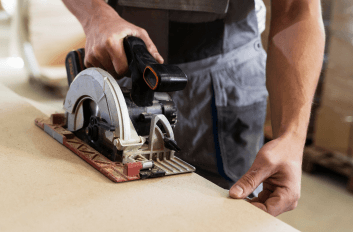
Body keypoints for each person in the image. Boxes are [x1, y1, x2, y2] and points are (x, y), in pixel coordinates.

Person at [62, 0, 325, 216]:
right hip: (125, 68)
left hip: (223, 83)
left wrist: (292, 136)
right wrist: (95, 13)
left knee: (225, 214)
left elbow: (296, 8)